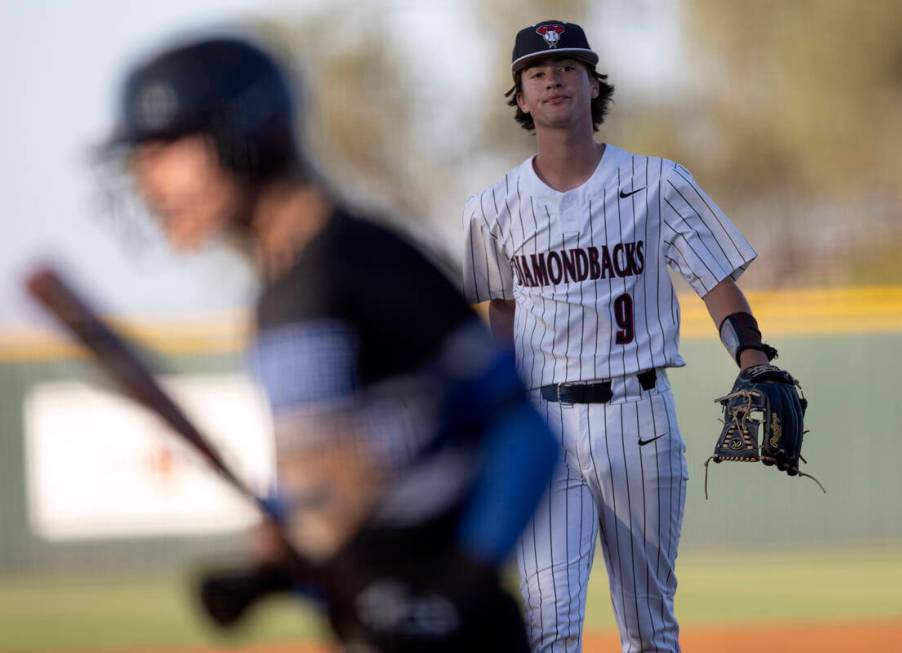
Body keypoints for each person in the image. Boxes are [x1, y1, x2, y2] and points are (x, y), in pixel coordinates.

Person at [105, 33, 559, 652]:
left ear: (246, 134)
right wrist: (270, 573)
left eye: (164, 150)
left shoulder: (361, 259)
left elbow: (522, 428)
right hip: (369, 625)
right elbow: (345, 486)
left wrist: (461, 584)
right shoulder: (278, 291)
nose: (147, 181)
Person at [463, 20, 787, 653]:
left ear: (592, 86)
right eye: (537, 73)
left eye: (567, 68)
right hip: (544, 421)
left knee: (647, 625)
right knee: (548, 623)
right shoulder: (491, 207)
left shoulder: (659, 181)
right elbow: (500, 316)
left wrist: (751, 356)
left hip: (638, 414)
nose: (553, 78)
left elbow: (714, 281)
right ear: (522, 99)